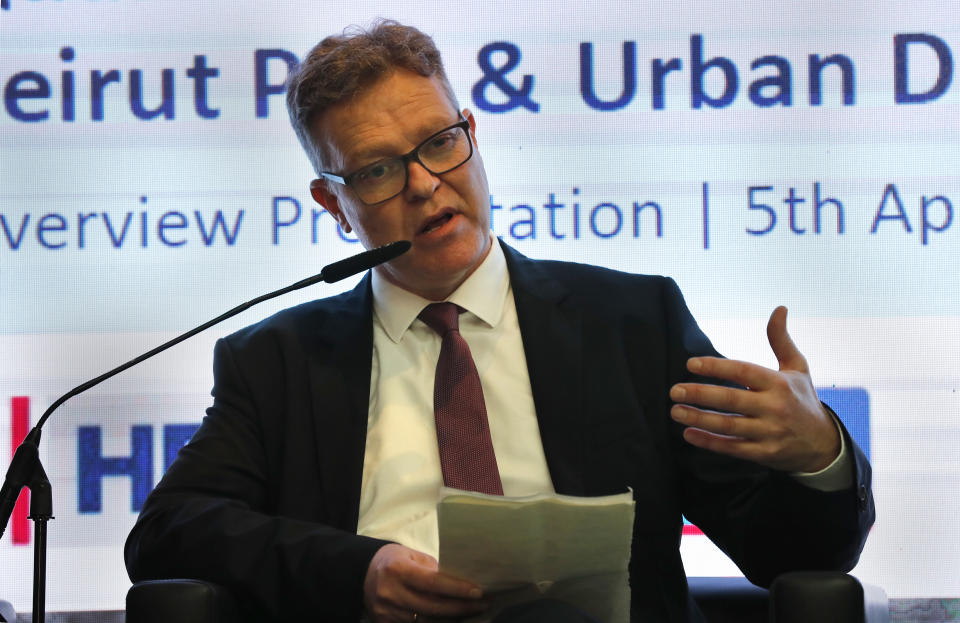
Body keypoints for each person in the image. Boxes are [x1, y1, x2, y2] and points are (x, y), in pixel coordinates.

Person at [125, 20, 874, 623]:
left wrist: (818, 454)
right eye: (380, 169)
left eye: (440, 142)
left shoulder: (631, 324)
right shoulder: (278, 361)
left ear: (471, 134)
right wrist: (359, 570)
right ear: (334, 203)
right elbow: (168, 532)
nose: (425, 185)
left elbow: (789, 555)